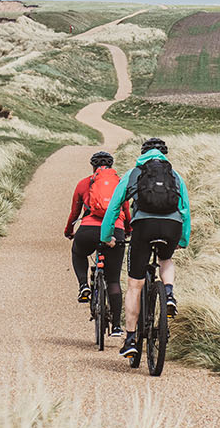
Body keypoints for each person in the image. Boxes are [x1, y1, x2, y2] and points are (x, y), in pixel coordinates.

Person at [100, 137, 190, 360]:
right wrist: (183, 239)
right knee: (166, 259)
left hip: (143, 226)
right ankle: (168, 293)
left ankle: (130, 339)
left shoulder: (134, 173)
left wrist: (107, 236)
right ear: (164, 154)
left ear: (143, 153)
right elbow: (185, 209)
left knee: (134, 285)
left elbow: (114, 207)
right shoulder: (175, 176)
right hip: (171, 226)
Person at [65, 150, 128, 336]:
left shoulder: (84, 184)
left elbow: (74, 212)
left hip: (88, 230)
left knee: (78, 252)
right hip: (115, 230)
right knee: (114, 280)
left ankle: (84, 284)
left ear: (93, 166)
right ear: (111, 166)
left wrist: (69, 230)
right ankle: (116, 326)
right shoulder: (118, 183)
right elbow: (126, 210)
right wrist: (128, 229)